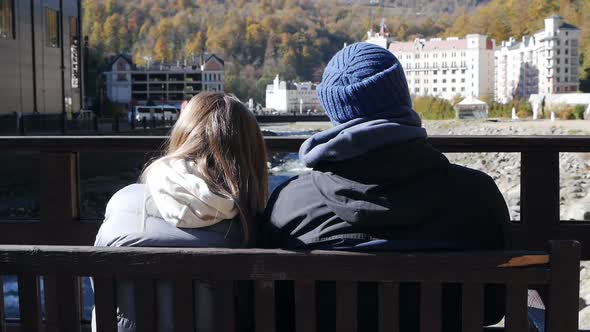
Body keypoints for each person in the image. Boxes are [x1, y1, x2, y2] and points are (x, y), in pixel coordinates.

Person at [263, 43, 509, 331]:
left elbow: (274, 307)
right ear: (401, 99)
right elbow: (492, 307)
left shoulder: (289, 203)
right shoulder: (477, 194)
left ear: (334, 111)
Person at [93, 92, 268, 332]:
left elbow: (100, 285)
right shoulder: (251, 228)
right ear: (251, 156)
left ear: (182, 137)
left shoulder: (123, 202)